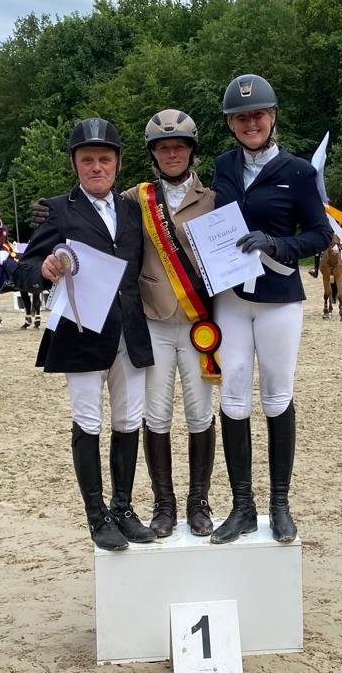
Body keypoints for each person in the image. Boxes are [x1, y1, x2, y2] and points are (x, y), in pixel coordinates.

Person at [13, 118, 156, 552]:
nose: (97, 167)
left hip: (129, 329)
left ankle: (123, 508)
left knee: (129, 420)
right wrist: (42, 269)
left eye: (104, 159)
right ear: (75, 164)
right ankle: (97, 516)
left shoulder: (132, 210)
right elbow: (24, 266)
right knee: (89, 421)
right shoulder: (58, 210)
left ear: (117, 163)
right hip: (81, 331)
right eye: (87, 159)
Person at [209, 74, 333, 545]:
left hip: (279, 298)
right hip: (231, 300)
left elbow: (321, 234)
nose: (250, 123)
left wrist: (278, 243)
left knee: (277, 395)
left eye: (257, 115)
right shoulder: (223, 166)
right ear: (231, 124)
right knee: (233, 395)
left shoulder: (298, 172)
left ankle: (280, 503)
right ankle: (242, 506)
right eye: (241, 117)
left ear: (272, 117)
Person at [124, 109, 217, 538]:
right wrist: (56, 212)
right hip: (155, 321)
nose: (172, 153)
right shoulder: (135, 198)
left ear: (191, 151)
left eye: (179, 146)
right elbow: (96, 211)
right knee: (157, 413)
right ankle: (164, 504)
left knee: (200, 413)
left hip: (200, 323)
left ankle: (199, 502)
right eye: (164, 148)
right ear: (154, 154)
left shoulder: (212, 199)